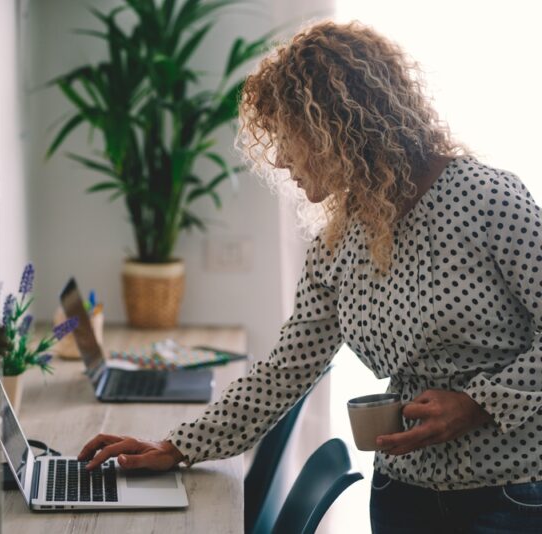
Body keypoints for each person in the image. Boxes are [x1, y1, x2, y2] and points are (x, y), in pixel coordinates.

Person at [77, 20, 542, 533]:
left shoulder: (487, 201)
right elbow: (285, 371)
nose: (279, 160)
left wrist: (478, 405)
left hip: (511, 492)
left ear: (339, 123)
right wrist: (176, 447)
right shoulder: (338, 241)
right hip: (402, 492)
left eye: (288, 136)